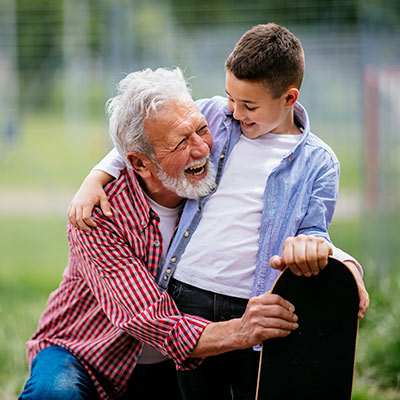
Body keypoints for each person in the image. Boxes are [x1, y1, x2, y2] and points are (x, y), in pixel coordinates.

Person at [68, 23, 369, 400]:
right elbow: (145, 136)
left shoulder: (319, 163)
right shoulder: (218, 116)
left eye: (249, 106)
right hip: (186, 291)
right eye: (230, 97)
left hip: (252, 299)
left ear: (289, 98)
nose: (235, 111)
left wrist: (332, 256)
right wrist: (96, 177)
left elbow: (314, 230)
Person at [19, 68, 301, 400]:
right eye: (182, 142)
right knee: (54, 395)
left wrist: (345, 263)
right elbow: (148, 318)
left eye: (200, 130)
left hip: (175, 366)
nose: (201, 149)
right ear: (139, 164)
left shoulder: (216, 177)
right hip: (84, 350)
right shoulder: (97, 215)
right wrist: (242, 330)